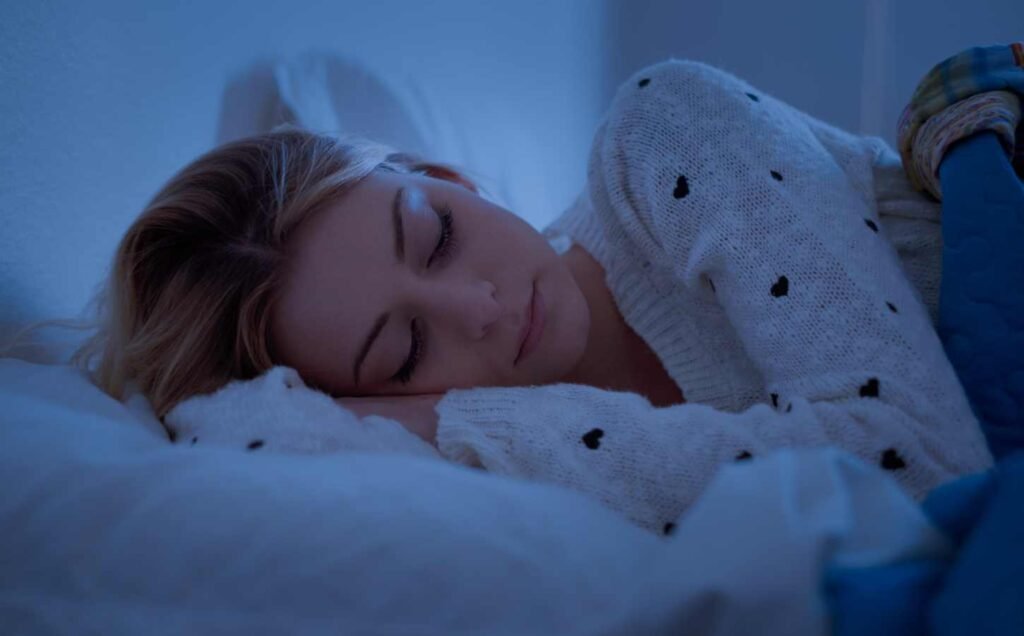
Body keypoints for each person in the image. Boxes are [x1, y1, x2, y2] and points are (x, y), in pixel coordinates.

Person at [8, 52, 1015, 534]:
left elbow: (926, 464)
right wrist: (439, 425)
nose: (481, 310)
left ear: (446, 178)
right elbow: (231, 438)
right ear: (368, 406)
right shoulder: (498, 472)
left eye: (435, 238)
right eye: (404, 353)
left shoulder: (661, 131)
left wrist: (452, 411)